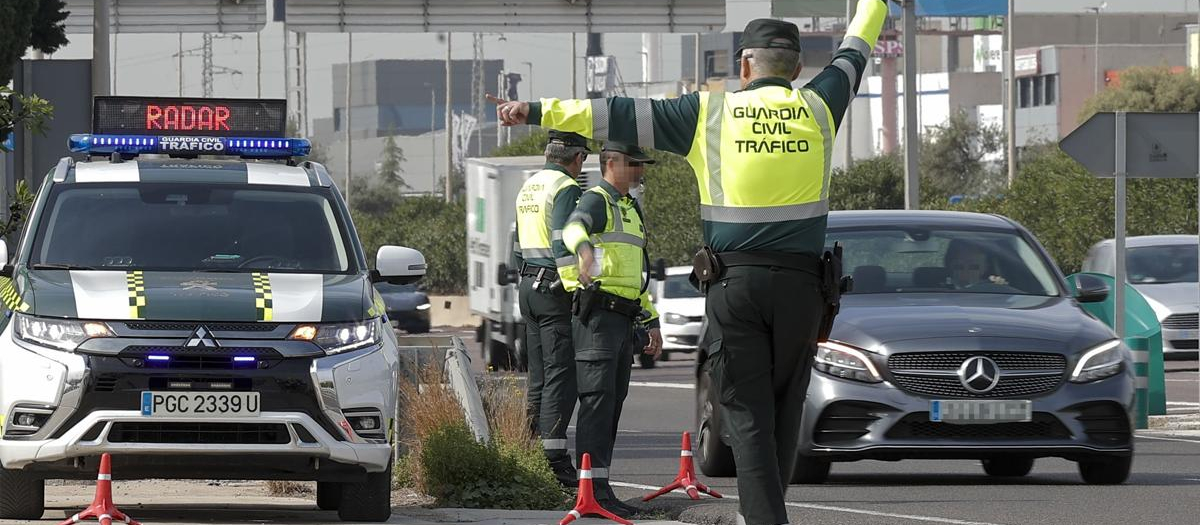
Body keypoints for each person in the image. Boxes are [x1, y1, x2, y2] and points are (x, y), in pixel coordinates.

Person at [489, 1, 889, 522]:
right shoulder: (820, 105)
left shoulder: (708, 112)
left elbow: (615, 111)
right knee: (788, 402)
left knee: (744, 409)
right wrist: (877, 3)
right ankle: (769, 510)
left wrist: (535, 110)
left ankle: (765, 517)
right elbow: (856, 50)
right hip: (802, 287)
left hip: (735, 285)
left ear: (743, 66)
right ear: (796, 70)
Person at [559, 141, 663, 519]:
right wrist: (585, 252)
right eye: (634, 164)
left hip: (623, 317)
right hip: (598, 318)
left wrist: (651, 320)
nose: (640, 171)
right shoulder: (597, 199)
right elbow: (573, 228)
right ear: (610, 163)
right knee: (597, 403)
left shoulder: (629, 208)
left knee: (612, 404)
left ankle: (600, 489)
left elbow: (636, 275)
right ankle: (589, 493)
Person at [512, 130, 588, 487]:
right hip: (553, 286)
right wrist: (576, 287)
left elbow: (516, 244)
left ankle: (529, 451)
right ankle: (555, 460)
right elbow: (562, 239)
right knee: (562, 374)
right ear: (576, 158)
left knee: (539, 375)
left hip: (528, 285)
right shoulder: (567, 188)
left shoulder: (529, 186)